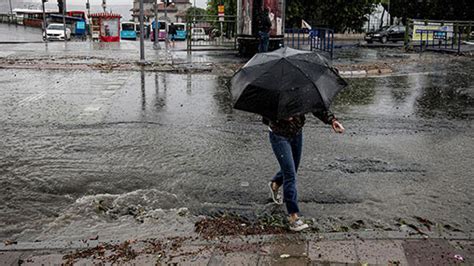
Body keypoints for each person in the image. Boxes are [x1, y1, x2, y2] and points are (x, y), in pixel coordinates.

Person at [264, 111, 345, 231]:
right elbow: (264, 114)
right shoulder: (271, 93)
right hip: (279, 135)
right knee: (290, 175)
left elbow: (315, 104)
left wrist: (332, 120)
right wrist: (280, 116)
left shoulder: (300, 92)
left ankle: (275, 183)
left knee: (293, 168)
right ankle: (293, 217)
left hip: (297, 133)